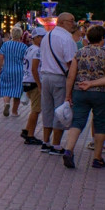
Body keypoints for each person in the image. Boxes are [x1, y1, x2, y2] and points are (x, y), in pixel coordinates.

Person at [62, 25, 105, 168]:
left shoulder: (79, 53)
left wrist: (68, 95)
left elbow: (71, 76)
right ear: (102, 39)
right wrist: (92, 83)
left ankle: (69, 150)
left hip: (79, 91)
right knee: (100, 124)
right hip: (101, 93)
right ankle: (97, 158)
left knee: (77, 121)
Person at [39, 13, 78, 155]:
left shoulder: (47, 36)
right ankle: (56, 145)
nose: (73, 24)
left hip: (46, 76)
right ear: (61, 22)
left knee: (47, 110)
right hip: (60, 78)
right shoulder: (67, 38)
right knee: (61, 110)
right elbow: (70, 63)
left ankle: (45, 142)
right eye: (71, 21)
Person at [22, 27, 46, 145]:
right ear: (36, 38)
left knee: (34, 108)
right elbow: (34, 69)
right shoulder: (37, 51)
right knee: (36, 110)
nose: (43, 40)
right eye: (42, 37)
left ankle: (27, 130)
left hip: (26, 80)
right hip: (34, 81)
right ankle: (30, 135)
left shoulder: (29, 48)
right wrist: (39, 84)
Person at [0, 27, 28, 117]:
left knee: (6, 89)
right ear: (21, 35)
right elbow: (26, 60)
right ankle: (14, 112)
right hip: (19, 72)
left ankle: (6, 103)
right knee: (17, 92)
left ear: (12, 34)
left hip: (7, 70)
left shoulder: (6, 45)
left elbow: (0, 58)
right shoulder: (24, 47)